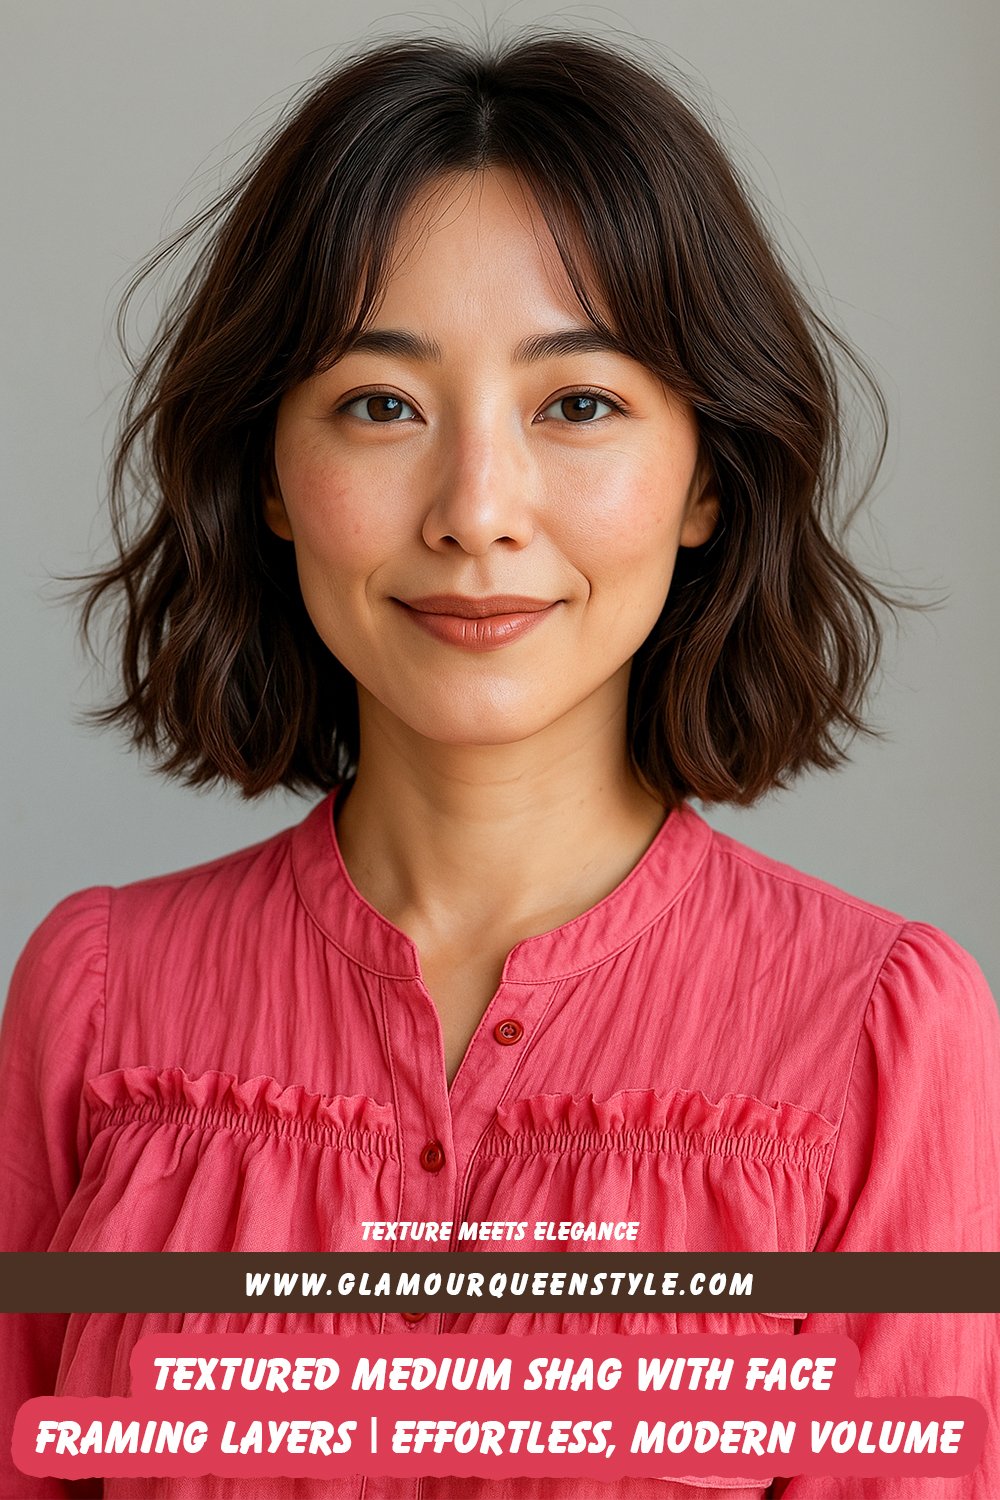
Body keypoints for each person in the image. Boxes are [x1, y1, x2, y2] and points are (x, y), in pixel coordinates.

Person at [1, 29, 997, 1500]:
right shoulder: (93, 1001)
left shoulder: (880, 1036)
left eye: (577, 403)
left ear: (706, 478)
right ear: (270, 475)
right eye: (380, 404)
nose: (477, 509)